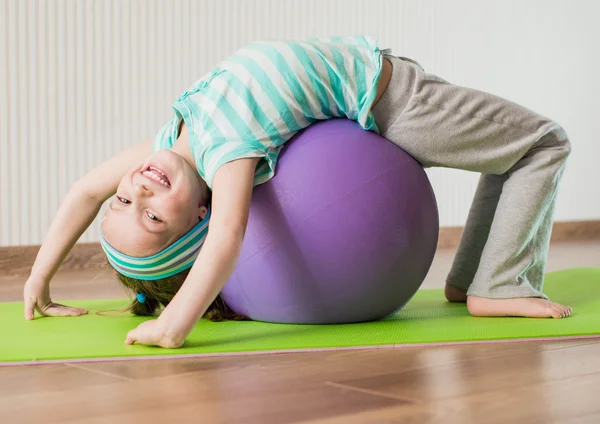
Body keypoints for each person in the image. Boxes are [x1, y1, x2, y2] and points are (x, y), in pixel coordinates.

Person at [23, 36, 572, 349]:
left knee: (508, 152)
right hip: (397, 100)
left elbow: (84, 189)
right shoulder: (227, 152)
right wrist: (173, 323)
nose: (137, 191)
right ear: (197, 214)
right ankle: (498, 285)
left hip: (384, 88)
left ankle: (471, 280)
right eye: (151, 220)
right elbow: (229, 234)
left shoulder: (174, 139)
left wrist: (39, 276)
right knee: (542, 143)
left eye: (124, 201)